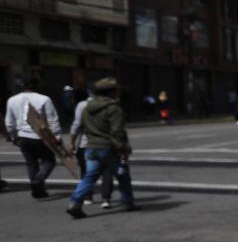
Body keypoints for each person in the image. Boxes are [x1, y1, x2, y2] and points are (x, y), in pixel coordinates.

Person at [66, 77, 139, 219]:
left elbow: (81, 126)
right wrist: (123, 148)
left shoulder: (87, 107)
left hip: (91, 147)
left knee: (89, 177)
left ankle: (74, 203)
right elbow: (117, 131)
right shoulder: (113, 108)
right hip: (109, 148)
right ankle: (127, 202)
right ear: (111, 92)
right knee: (123, 174)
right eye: (116, 90)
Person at [5, 77, 61, 199]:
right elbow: (52, 119)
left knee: (31, 163)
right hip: (40, 135)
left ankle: (37, 191)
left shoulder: (12, 100)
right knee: (49, 161)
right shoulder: (44, 99)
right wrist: (56, 135)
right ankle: (39, 179)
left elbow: (9, 122)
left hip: (22, 136)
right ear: (36, 85)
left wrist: (13, 136)